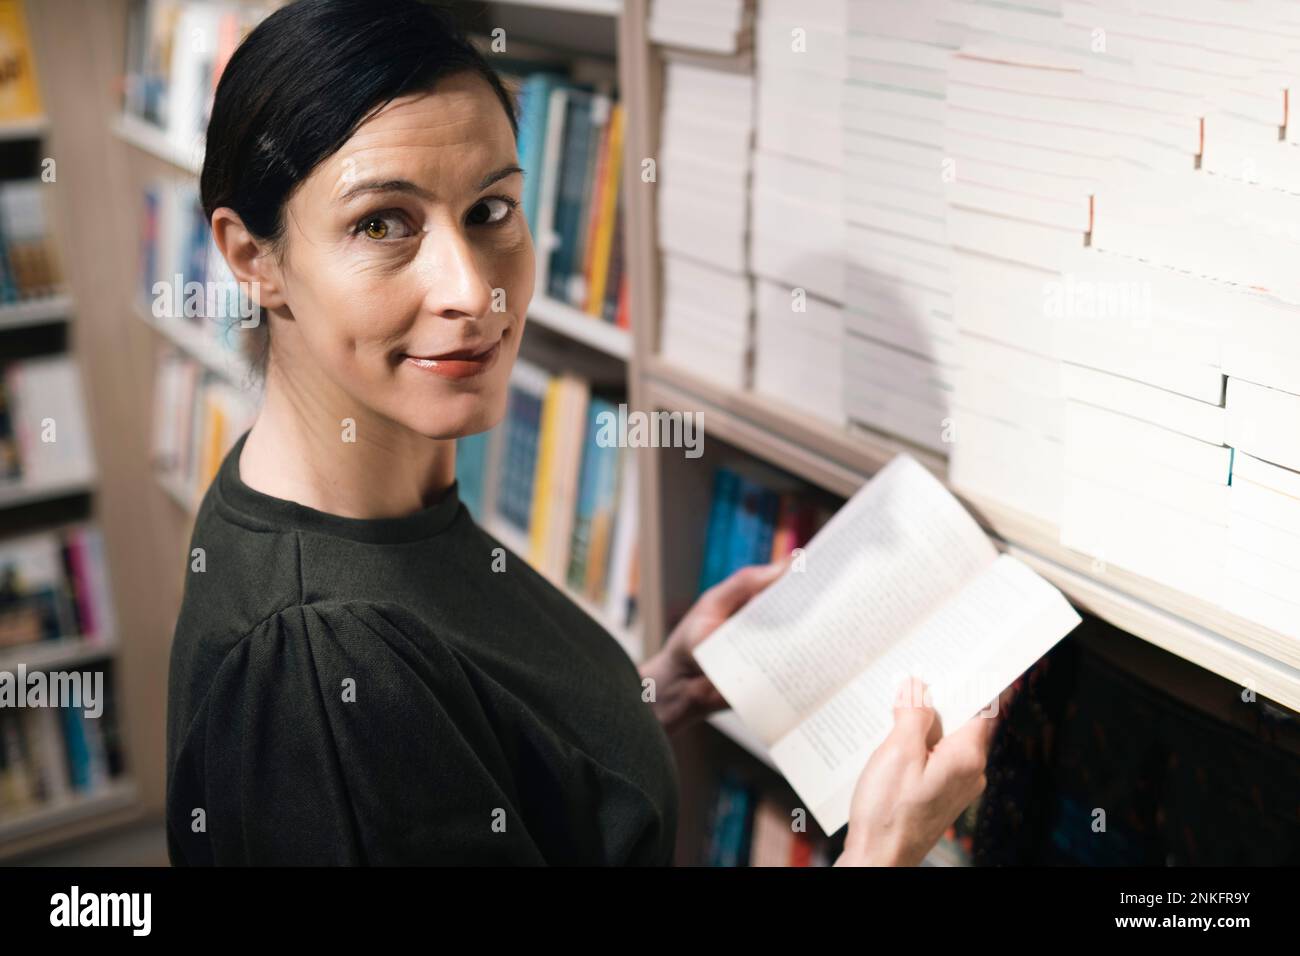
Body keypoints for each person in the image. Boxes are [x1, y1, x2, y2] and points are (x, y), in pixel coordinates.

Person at [164, 0, 1004, 866]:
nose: (472, 289)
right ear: (253, 259)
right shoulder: (316, 672)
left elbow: (480, 756)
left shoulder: (362, 496)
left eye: (491, 210)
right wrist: (880, 853)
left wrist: (647, 693)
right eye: (382, 224)